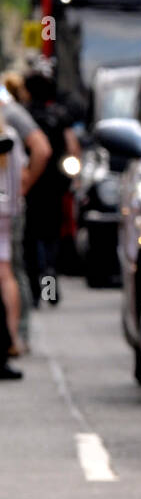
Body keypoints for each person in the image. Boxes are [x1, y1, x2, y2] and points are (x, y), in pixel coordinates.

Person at [1, 76, 50, 348]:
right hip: (9, 205)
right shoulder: (12, 115)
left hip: (9, 206)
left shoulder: (12, 115)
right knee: (11, 268)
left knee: (13, 268)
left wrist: (24, 185)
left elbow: (42, 148)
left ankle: (17, 335)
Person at [21, 71, 77, 307]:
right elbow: (72, 148)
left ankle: (35, 290)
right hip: (54, 186)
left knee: (31, 239)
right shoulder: (58, 115)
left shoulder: (25, 116)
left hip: (30, 185)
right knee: (51, 238)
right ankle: (49, 287)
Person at [0, 114, 29, 379]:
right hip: (7, 212)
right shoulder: (10, 136)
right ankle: (11, 340)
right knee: (6, 273)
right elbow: (21, 176)